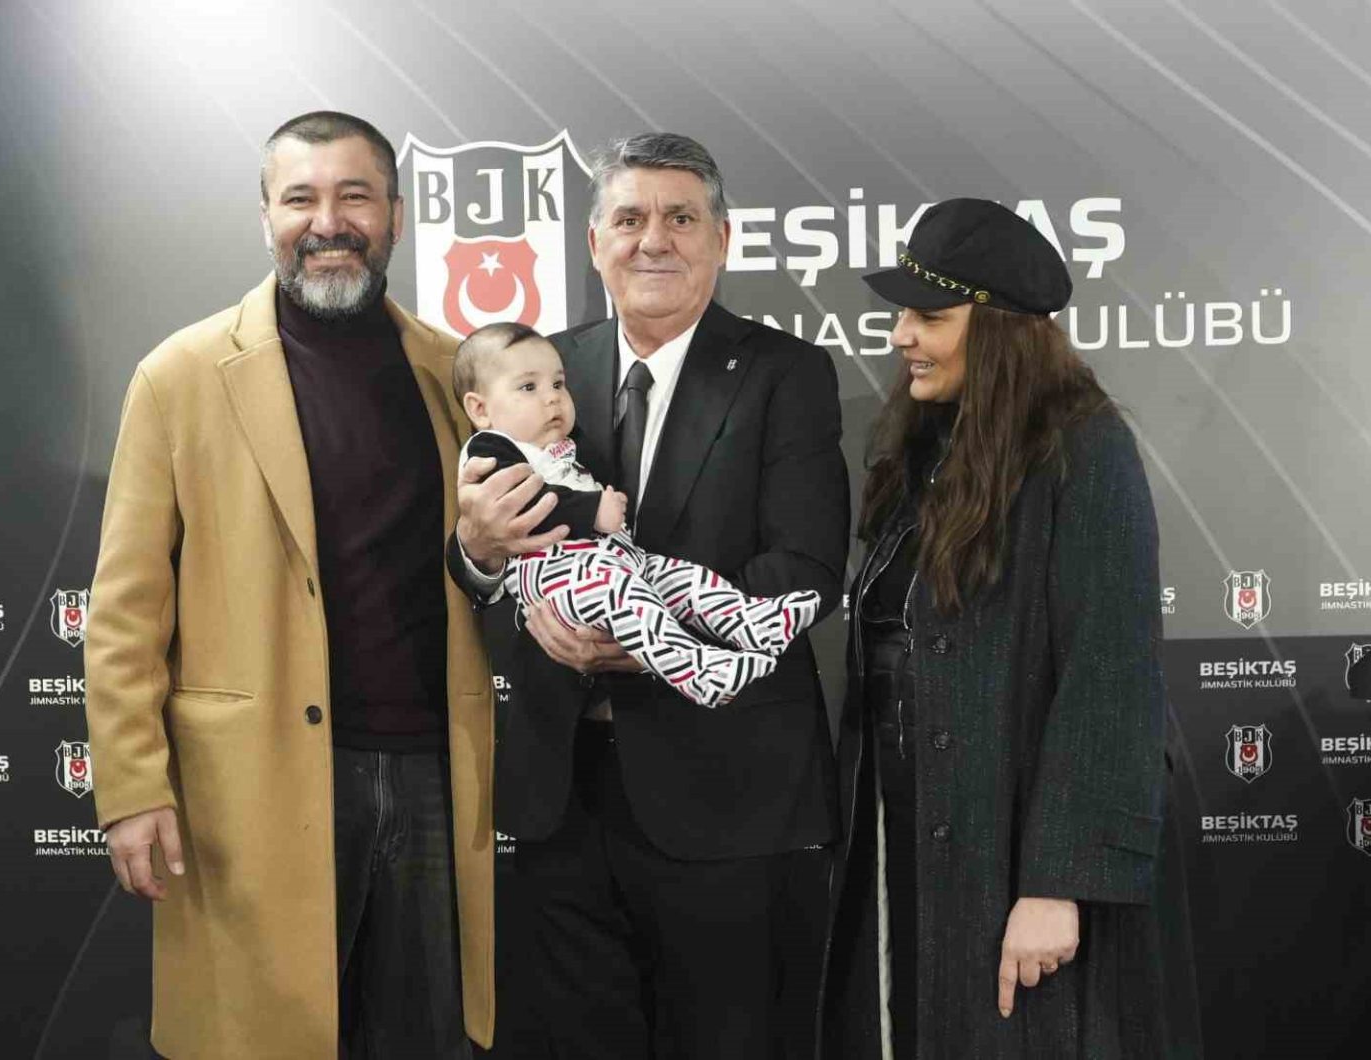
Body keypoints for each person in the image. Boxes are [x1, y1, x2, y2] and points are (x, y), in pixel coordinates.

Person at [84, 111, 494, 1060]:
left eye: (355, 196)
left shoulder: (455, 373)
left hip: (435, 776)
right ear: (265, 216)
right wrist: (132, 787)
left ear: (396, 215)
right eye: (301, 198)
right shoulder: (179, 376)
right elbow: (125, 613)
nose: (329, 222)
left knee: (426, 1039)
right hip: (253, 783)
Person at [449, 133, 849, 1058]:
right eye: (628, 219)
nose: (653, 240)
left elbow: (805, 569)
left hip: (727, 798)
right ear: (594, 242)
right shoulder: (537, 370)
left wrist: (645, 638)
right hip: (557, 798)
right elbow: (482, 560)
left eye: (680, 218)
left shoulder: (786, 374)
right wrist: (475, 551)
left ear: (723, 239)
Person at [819, 198, 1201, 1059]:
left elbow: (1110, 675)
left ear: (997, 330)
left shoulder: (1084, 449)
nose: (901, 336)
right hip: (908, 836)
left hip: (1015, 855)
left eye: (930, 317)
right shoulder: (927, 449)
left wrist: (1058, 885)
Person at [452, 321, 822, 708]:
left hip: (616, 559)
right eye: (529, 388)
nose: (552, 399)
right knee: (622, 594)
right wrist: (594, 509)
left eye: (558, 384)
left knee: (683, 579)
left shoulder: (561, 444)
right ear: (480, 409)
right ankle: (699, 673)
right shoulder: (490, 450)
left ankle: (754, 622)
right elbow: (524, 508)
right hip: (552, 573)